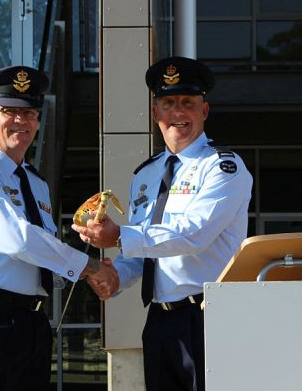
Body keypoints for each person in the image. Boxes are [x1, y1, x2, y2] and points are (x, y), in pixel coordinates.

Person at [71, 56, 253, 391]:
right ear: (156, 113)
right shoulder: (146, 174)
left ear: (204, 111)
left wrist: (118, 235)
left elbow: (193, 235)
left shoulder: (223, 167)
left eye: (188, 103)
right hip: (158, 319)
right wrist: (115, 277)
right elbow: (145, 251)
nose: (178, 113)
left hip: (207, 316)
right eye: (168, 103)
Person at [0, 65, 118, 391]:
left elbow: (41, 250)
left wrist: (88, 249)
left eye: (31, 113)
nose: (22, 121)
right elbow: (16, 239)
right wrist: (90, 267)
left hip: (33, 322)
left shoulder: (37, 184)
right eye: (10, 111)